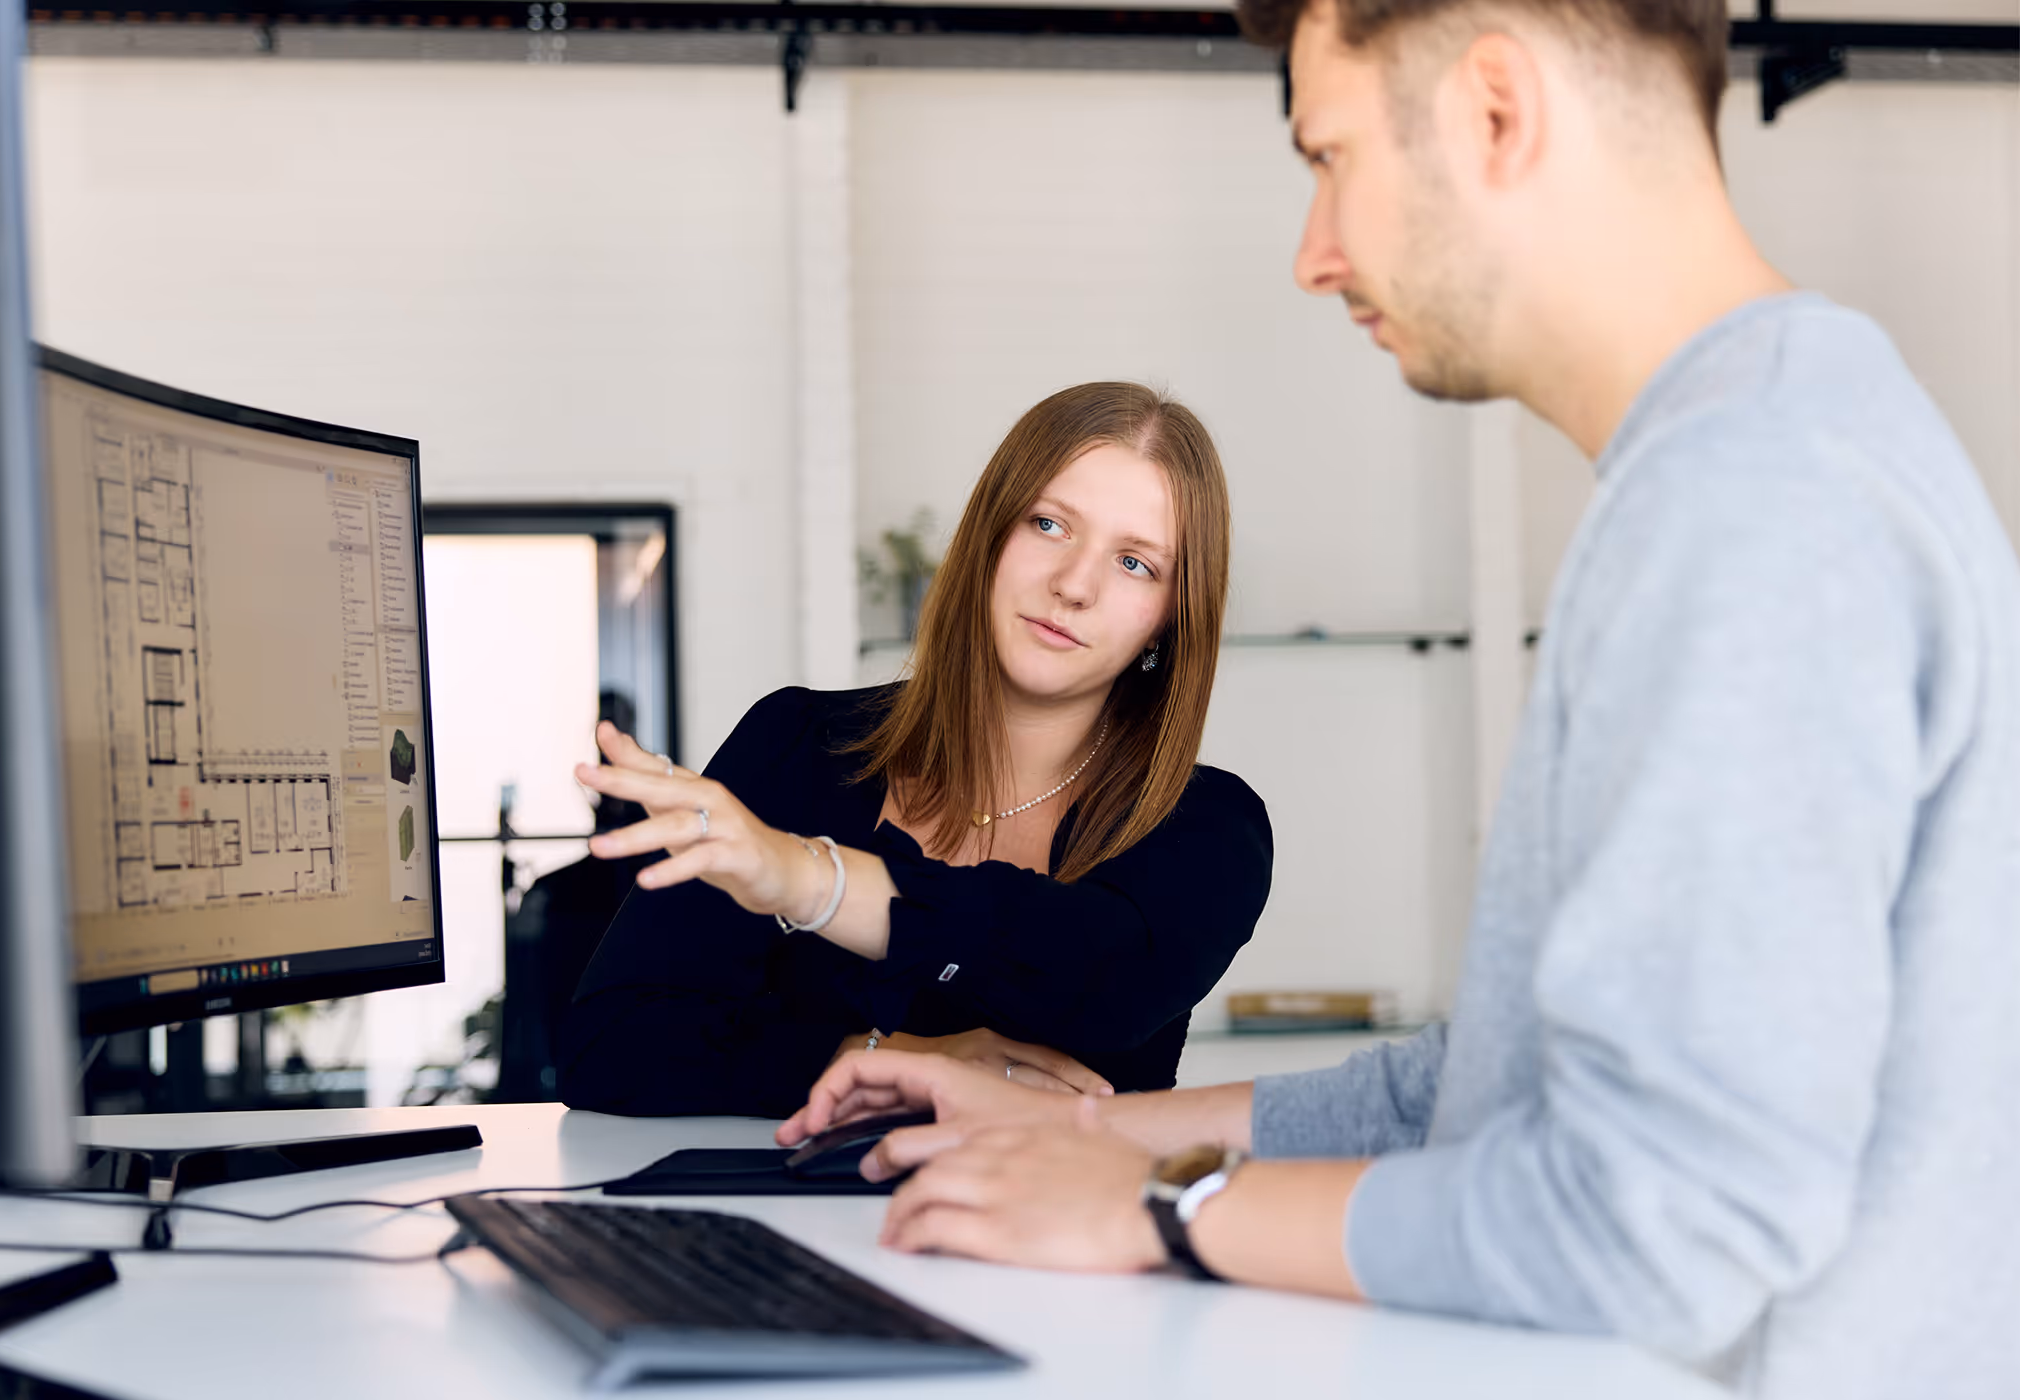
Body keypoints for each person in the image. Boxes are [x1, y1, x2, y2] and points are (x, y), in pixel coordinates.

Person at [774, 2, 2020, 1396]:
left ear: (1496, 109)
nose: (1315, 253)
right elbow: (1475, 1086)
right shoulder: (1767, 449)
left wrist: (1164, 1209)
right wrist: (1083, 1134)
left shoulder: (1752, 509)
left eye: (1332, 155)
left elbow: (1664, 1223)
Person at [558, 382, 1273, 1118]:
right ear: (988, 535)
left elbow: (1100, 982)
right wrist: (886, 1060)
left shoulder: (1207, 826)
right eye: (1049, 524)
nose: (1074, 585)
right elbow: (610, 1045)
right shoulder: (796, 741)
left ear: (1168, 619)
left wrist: (810, 881)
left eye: (1135, 563)